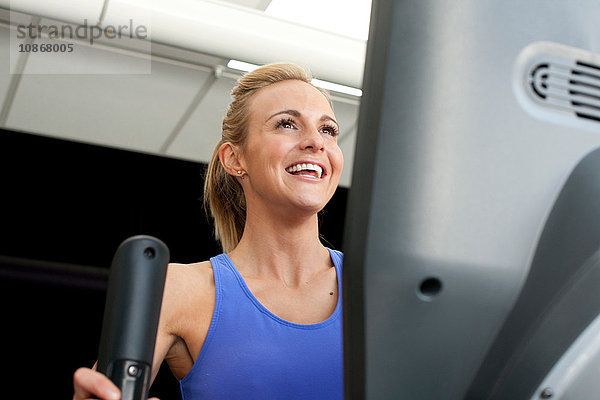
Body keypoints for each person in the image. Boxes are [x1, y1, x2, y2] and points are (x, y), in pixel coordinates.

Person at [72, 62, 344, 400]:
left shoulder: (378, 288)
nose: (315, 142)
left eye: (328, 130)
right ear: (234, 159)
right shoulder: (178, 291)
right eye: (287, 124)